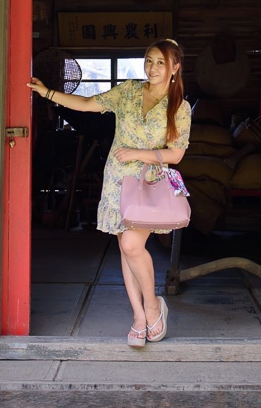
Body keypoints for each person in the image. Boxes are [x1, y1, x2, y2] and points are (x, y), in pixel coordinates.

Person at [27, 39, 191, 348]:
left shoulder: (178, 107)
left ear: (175, 68)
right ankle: (139, 317)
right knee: (124, 249)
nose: (153, 68)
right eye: (149, 60)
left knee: (132, 245)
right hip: (117, 182)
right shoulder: (128, 91)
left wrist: (136, 153)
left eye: (160, 63)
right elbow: (89, 104)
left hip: (147, 183)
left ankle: (154, 306)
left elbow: (176, 154)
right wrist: (48, 93)